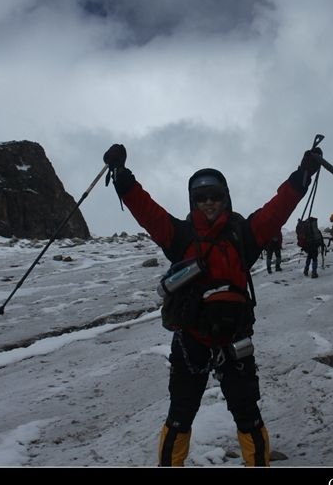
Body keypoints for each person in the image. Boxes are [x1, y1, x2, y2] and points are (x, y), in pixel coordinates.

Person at [103, 143, 320, 466]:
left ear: (225, 198)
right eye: (201, 198)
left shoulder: (243, 232)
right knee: (180, 417)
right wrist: (121, 176)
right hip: (192, 342)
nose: (208, 203)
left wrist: (302, 176)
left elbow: (278, 209)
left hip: (235, 342)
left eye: (215, 196)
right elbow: (147, 211)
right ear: (193, 201)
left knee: (248, 415)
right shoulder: (179, 234)